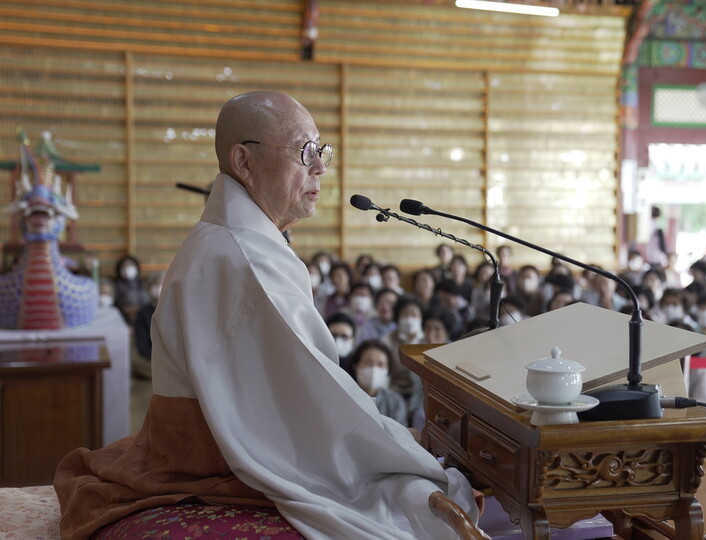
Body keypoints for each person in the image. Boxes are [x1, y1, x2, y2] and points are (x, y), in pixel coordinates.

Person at [54, 91, 478, 539]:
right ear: (244, 162)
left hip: (196, 440)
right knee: (416, 499)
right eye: (304, 152)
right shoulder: (243, 257)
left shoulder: (233, 239)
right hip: (213, 459)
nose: (319, 168)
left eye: (322, 152)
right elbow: (314, 401)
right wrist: (400, 445)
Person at [350, 340, 408, 427]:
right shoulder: (344, 396)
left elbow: (400, 437)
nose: (374, 369)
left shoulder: (395, 402)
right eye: (368, 363)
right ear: (356, 366)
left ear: (388, 370)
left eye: (380, 364)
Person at [113, 254, 151, 324]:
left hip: (145, 317)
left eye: (130, 265)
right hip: (124, 318)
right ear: (119, 269)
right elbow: (115, 304)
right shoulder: (115, 285)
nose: (127, 268)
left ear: (136, 267)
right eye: (124, 266)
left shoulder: (145, 283)